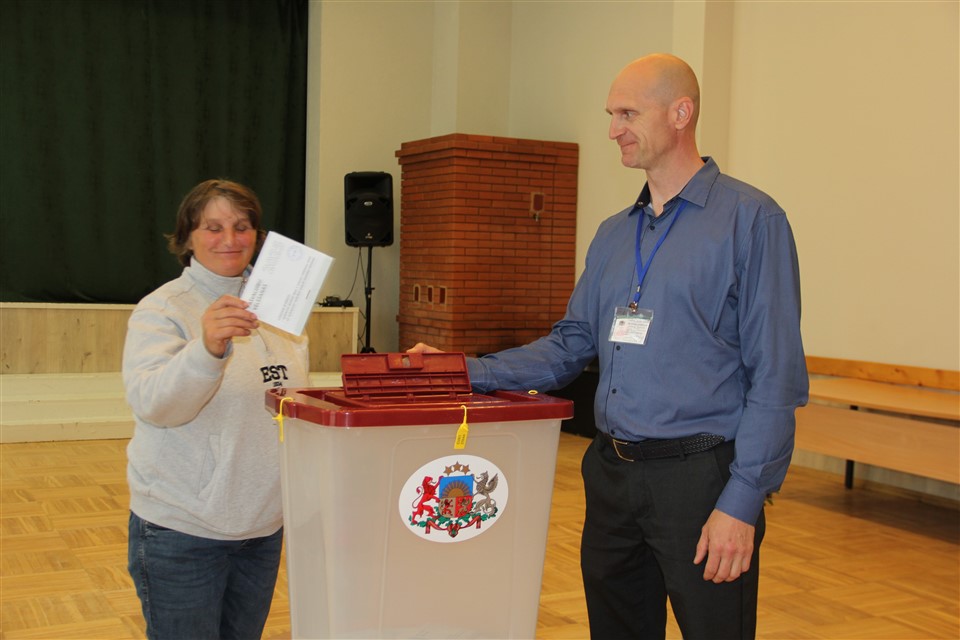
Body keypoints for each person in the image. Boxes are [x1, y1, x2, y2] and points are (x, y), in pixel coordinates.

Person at [409, 53, 808, 639]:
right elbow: (569, 346)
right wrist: (461, 370)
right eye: (611, 115)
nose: (613, 129)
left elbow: (776, 377)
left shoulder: (751, 220)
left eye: (627, 113)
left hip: (701, 483)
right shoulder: (614, 234)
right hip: (611, 478)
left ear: (680, 113)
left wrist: (742, 501)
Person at [123, 179, 310, 639]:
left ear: (257, 236)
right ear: (187, 237)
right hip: (183, 530)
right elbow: (154, 404)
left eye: (241, 226)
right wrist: (206, 349)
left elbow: (288, 403)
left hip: (261, 528)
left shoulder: (280, 310)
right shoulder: (162, 309)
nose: (229, 239)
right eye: (213, 227)